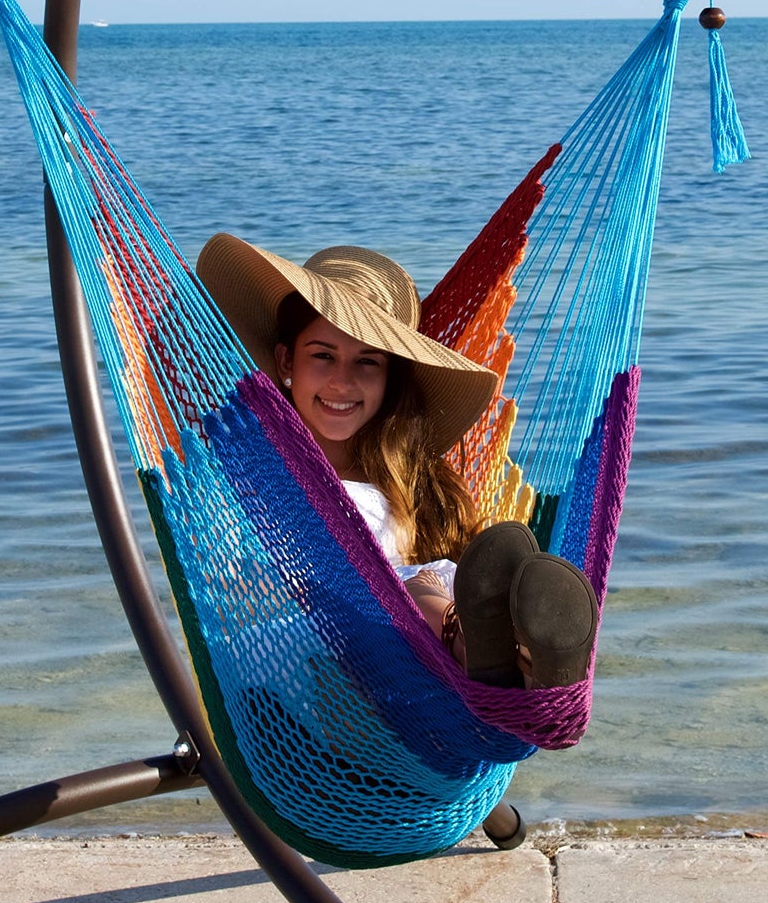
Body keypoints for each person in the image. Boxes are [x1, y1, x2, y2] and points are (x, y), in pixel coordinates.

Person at [196, 234, 598, 689]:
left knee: (434, 584)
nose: (342, 382)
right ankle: (474, 645)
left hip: (412, 686)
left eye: (367, 362)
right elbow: (233, 582)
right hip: (295, 671)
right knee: (403, 592)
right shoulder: (251, 468)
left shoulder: (410, 483)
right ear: (287, 359)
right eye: (323, 356)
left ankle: (522, 662)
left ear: (389, 378)